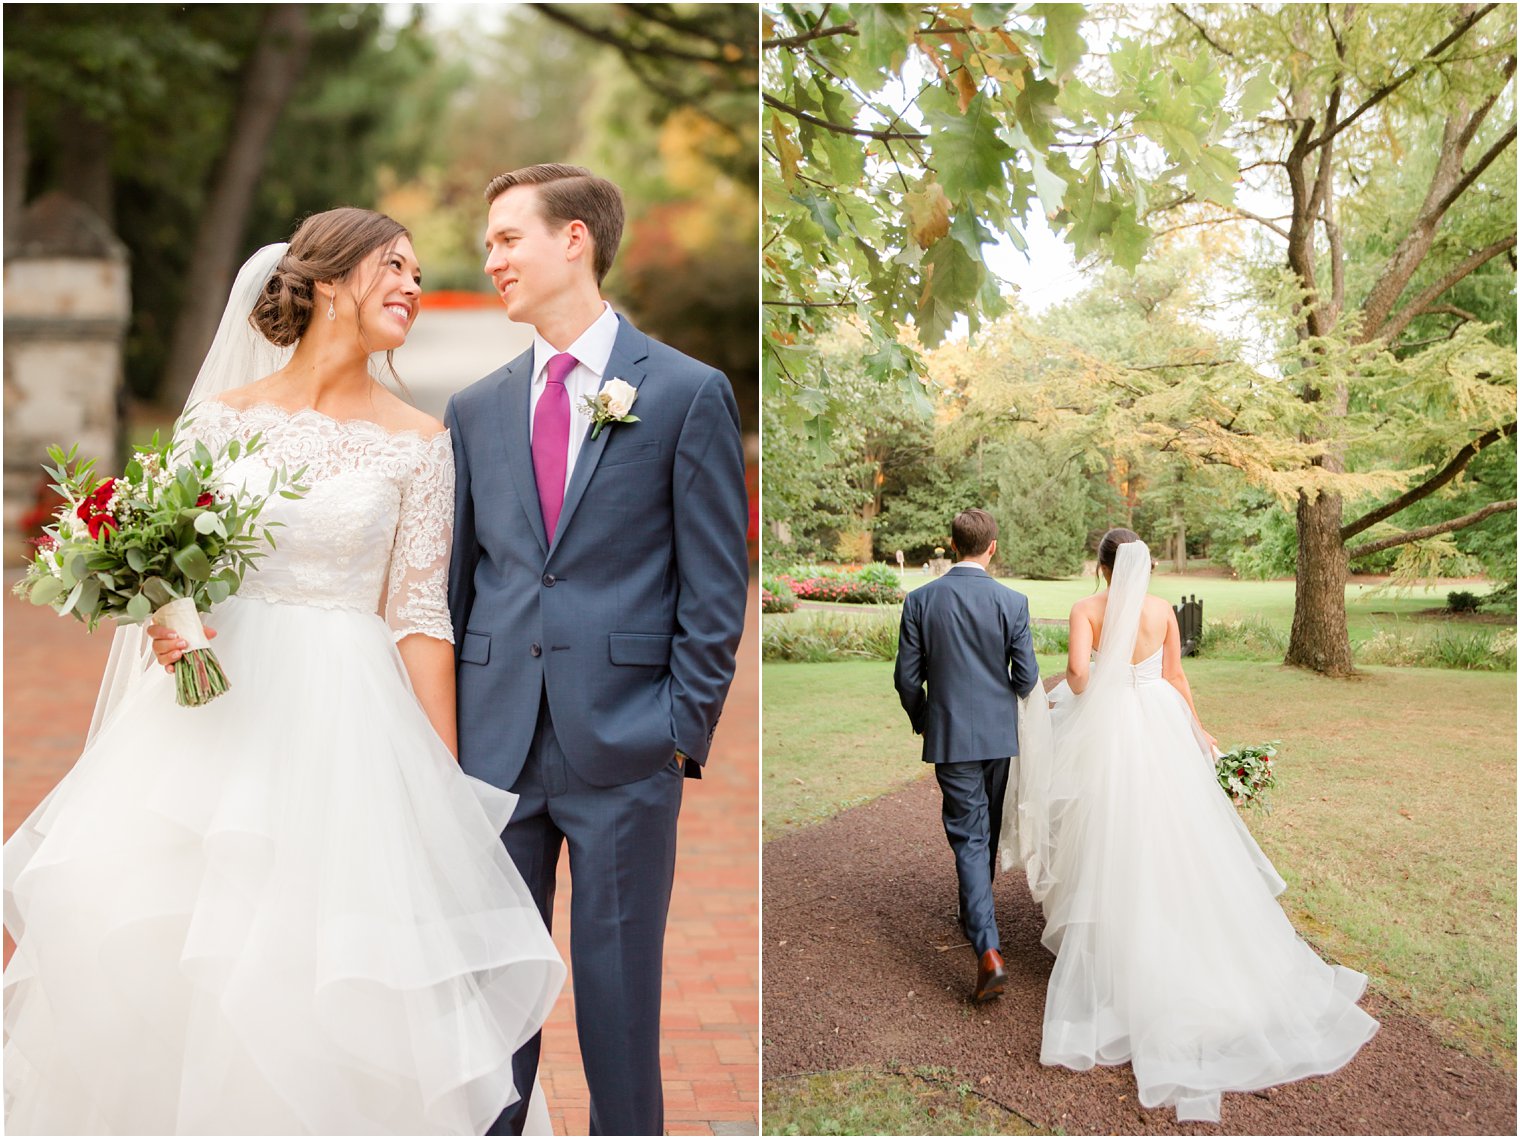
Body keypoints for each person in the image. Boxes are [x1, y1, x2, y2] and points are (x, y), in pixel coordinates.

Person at [6, 208, 565, 1135]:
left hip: (349, 731)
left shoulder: (422, 442)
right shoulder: (219, 422)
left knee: (330, 964)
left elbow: (422, 619)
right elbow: (164, 568)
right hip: (213, 724)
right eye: (395, 267)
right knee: (185, 951)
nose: (413, 288)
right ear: (330, 280)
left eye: (420, 276)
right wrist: (168, 620)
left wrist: (447, 793)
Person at [445, 165, 749, 1136]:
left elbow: (714, 589)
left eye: (505, 238)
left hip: (625, 750)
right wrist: (451, 740)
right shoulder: (475, 408)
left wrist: (675, 731)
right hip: (491, 753)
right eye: (487, 242)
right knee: (495, 1018)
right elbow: (464, 585)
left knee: (619, 1015)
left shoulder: (686, 393)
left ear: (573, 239)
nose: (488, 258)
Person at [1007, 528, 1378, 1123]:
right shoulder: (1161, 612)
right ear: (1142, 567)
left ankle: (1115, 950)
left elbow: (1077, 677)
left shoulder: (1086, 609)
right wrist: (1197, 728)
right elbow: (1176, 678)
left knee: (1103, 834)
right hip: (1158, 725)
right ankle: (1171, 934)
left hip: (1109, 734)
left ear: (1101, 568)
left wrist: (1100, 678)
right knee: (1171, 836)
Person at [893, 508, 1040, 1002]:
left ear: (952, 545)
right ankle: (975, 919)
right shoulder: (1012, 601)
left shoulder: (920, 600)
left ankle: (986, 948)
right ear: (992, 547)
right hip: (999, 735)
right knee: (984, 831)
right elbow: (1025, 678)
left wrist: (924, 717)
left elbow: (906, 679)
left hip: (951, 736)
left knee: (970, 835)